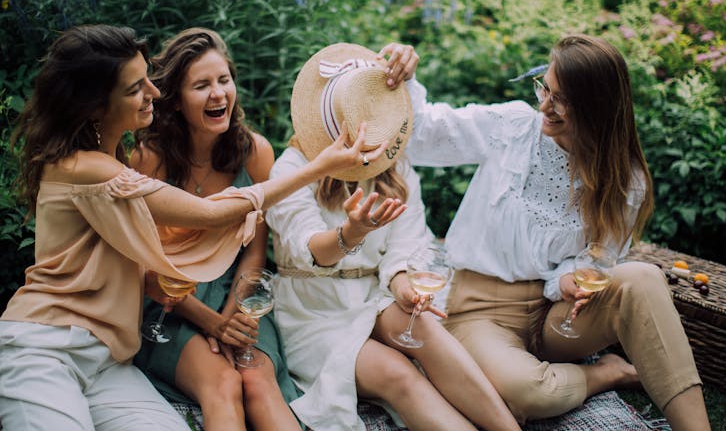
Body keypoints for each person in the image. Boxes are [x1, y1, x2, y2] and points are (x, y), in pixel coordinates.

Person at [0, 24, 374, 430]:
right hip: (46, 346)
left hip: (109, 359)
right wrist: (319, 166)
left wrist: (230, 312)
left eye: (149, 79)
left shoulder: (111, 160)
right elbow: (209, 214)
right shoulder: (90, 169)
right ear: (94, 107)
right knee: (221, 384)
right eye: (135, 88)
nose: (154, 93)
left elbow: (186, 242)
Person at [377, 35, 711, 431]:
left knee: (643, 278)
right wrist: (407, 78)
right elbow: (421, 136)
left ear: (598, 108)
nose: (545, 106)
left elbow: (599, 259)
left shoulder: (626, 179)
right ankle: (606, 374)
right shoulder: (513, 127)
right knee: (526, 393)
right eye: (544, 88)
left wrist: (569, 277)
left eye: (562, 99)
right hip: (479, 312)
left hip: (557, 318)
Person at [265, 43, 522, 431]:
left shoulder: (393, 165)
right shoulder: (292, 168)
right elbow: (311, 250)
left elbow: (406, 244)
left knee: (421, 326)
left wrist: (403, 284)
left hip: (372, 296)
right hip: (313, 311)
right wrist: (351, 232)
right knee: (397, 372)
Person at [131, 27, 302, 431]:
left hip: (236, 295)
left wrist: (234, 315)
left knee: (258, 381)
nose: (218, 94)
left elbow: (255, 252)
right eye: (201, 85)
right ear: (174, 100)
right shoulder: (148, 159)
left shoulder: (255, 151)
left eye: (224, 80)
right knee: (224, 383)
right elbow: (144, 264)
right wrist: (210, 322)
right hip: (171, 301)